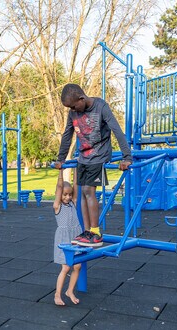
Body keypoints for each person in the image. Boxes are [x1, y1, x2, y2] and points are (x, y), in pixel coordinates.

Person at [55, 83, 132, 247]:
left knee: (89, 191)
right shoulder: (73, 112)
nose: (73, 110)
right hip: (83, 157)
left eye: (74, 106)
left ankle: (96, 233)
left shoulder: (101, 107)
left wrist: (127, 157)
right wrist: (61, 158)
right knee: (81, 193)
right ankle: (88, 231)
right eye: (71, 108)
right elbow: (67, 134)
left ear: (81, 98)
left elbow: (117, 130)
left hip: (99, 155)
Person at [53, 169, 82, 305]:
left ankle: (69, 291)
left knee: (77, 266)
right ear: (59, 195)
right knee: (65, 267)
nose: (67, 197)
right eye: (65, 194)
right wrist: (60, 171)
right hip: (64, 239)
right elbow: (59, 186)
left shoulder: (73, 202)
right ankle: (57, 295)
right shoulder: (57, 206)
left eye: (69, 194)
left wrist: (76, 168)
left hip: (75, 236)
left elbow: (76, 184)